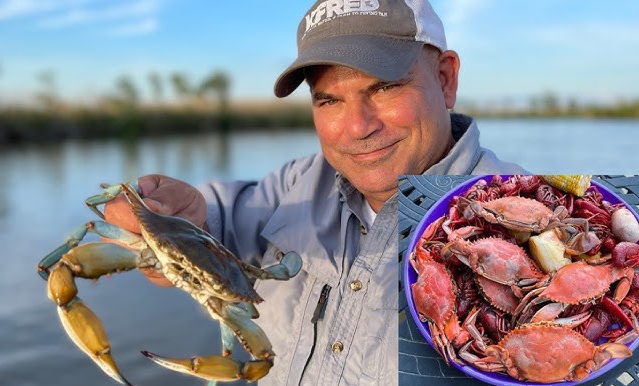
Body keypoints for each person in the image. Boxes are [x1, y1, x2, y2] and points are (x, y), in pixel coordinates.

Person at [105, 0, 527, 385]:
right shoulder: (296, 184)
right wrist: (182, 222)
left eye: (384, 88)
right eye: (328, 101)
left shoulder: (528, 217)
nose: (358, 126)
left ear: (445, 79)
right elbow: (218, 219)